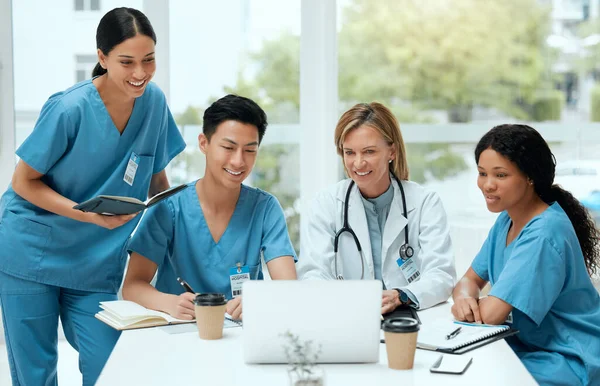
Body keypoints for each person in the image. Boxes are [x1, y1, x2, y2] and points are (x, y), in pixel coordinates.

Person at [0, 7, 186, 386]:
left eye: (149, 60)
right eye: (127, 62)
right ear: (102, 58)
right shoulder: (69, 108)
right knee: (35, 376)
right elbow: (23, 182)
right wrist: (86, 216)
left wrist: (186, 231)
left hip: (95, 264)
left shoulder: (153, 104)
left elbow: (157, 183)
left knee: (111, 368)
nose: (140, 73)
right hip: (30, 254)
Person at [122, 94, 297, 321]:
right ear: (204, 143)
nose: (238, 161)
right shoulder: (169, 206)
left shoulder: (265, 209)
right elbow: (133, 286)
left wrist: (260, 300)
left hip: (243, 336)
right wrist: (169, 302)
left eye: (250, 150)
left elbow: (289, 289)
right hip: (179, 332)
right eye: (228, 147)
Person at [451, 124, 600, 386]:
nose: (487, 185)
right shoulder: (507, 219)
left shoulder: (544, 232)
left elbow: (492, 314)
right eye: (482, 173)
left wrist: (474, 304)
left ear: (530, 177)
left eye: (500, 175)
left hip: (569, 357)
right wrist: (465, 298)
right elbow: (469, 280)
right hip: (529, 346)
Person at [297, 102, 456, 312]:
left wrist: (401, 296)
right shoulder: (326, 204)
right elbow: (312, 274)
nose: (358, 163)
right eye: (349, 152)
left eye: (369, 152)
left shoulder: (425, 202)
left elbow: (441, 274)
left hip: (408, 316)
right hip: (347, 314)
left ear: (392, 151)